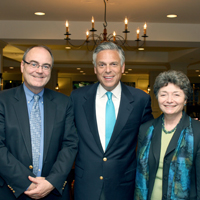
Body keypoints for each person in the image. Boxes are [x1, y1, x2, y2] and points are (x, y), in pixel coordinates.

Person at [70, 42, 153, 200]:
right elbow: (66, 138)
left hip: (123, 186)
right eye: (102, 64)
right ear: (95, 68)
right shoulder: (77, 98)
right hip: (86, 185)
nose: (108, 70)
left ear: (122, 67)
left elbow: (149, 142)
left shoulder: (140, 100)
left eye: (113, 64)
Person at [0, 45, 78, 200]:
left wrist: (51, 182)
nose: (39, 70)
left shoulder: (64, 103)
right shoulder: (3, 100)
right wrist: (26, 182)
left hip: (53, 192)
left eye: (46, 66)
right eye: (34, 64)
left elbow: (70, 144)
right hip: (12, 191)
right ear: (22, 66)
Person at [134, 70, 200, 200]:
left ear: (185, 99)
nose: (169, 100)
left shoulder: (197, 131)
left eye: (176, 95)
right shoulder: (146, 129)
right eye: (163, 94)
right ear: (157, 97)